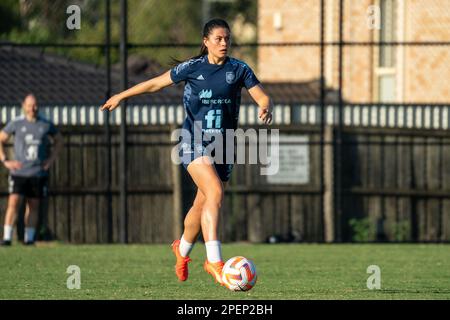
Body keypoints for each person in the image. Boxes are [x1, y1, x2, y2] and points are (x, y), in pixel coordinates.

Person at [101, 18, 273, 285]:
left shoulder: (239, 69)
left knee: (201, 203)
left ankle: (181, 251)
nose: (224, 43)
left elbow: (261, 95)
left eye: (227, 38)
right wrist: (121, 96)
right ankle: (214, 261)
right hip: (193, 142)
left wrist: (264, 106)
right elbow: (155, 83)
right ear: (206, 42)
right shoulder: (192, 68)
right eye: (218, 39)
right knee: (215, 192)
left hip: (224, 145)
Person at [0, 94, 63, 246]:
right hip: (19, 172)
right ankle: (7, 238)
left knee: (33, 205)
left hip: (37, 172)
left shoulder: (45, 124)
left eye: (34, 105)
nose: (32, 108)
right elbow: (1, 138)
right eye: (29, 105)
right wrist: (5, 161)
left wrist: (51, 160)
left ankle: (29, 239)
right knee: (13, 202)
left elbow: (59, 140)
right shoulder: (16, 123)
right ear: (24, 106)